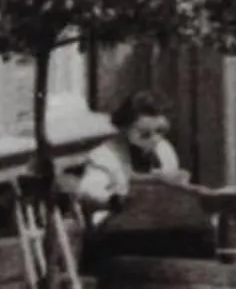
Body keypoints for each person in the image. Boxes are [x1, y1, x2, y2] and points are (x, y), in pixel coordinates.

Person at [75, 91, 189, 220]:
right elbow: (88, 192)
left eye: (160, 131)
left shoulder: (163, 148)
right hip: (116, 221)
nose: (155, 139)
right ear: (124, 129)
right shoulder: (105, 156)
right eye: (144, 134)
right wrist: (117, 199)